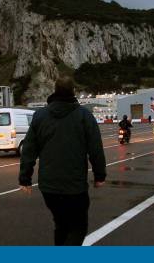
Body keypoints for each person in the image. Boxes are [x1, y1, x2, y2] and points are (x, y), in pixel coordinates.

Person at [19, 76, 106, 245]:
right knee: (78, 227)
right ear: (73, 91)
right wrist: (99, 176)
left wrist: (25, 178)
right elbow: (96, 149)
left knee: (61, 225)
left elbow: (29, 150)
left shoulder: (40, 116)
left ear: (55, 91)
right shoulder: (84, 116)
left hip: (49, 187)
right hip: (75, 187)